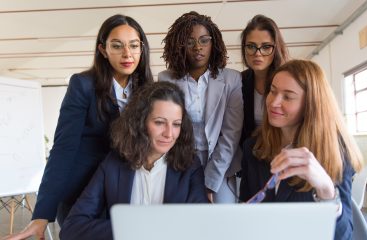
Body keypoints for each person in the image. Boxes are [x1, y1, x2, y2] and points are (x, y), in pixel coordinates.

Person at [2, 14, 153, 240]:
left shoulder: (150, 91)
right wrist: (42, 215)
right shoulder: (83, 85)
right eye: (117, 46)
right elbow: (63, 149)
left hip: (129, 193)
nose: (127, 54)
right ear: (103, 50)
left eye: (134, 45)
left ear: (142, 48)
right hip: (83, 194)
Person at [59, 82, 208, 239]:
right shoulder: (113, 164)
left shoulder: (191, 166)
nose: (169, 134)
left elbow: (201, 226)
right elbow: (71, 227)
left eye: (176, 124)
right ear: (140, 122)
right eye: (159, 122)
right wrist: (134, 229)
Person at [239, 60, 363, 240]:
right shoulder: (253, 147)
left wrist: (326, 189)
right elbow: (246, 211)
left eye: (288, 97)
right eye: (272, 91)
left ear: (310, 105)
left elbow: (342, 236)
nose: (274, 102)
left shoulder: (335, 152)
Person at [158, 11, 243, 203]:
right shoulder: (166, 79)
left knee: (223, 222)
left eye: (204, 40)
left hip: (222, 161)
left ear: (214, 43)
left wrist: (210, 181)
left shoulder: (232, 79)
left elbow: (231, 135)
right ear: (180, 46)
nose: (198, 47)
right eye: (189, 42)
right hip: (181, 160)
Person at [240, 15, 289, 143]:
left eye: (266, 47)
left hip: (285, 150)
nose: (258, 53)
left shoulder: (289, 80)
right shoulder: (239, 81)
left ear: (276, 48)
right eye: (251, 46)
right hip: (250, 155)